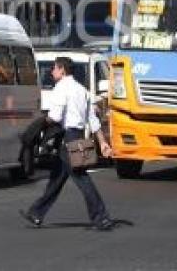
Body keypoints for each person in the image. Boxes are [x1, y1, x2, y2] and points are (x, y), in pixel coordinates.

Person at [19, 56, 116, 231]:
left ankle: (101, 217)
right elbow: (92, 120)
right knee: (56, 178)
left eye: (54, 68)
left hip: (68, 138)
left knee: (82, 178)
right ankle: (36, 213)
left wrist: (42, 122)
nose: (52, 71)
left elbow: (55, 116)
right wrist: (103, 143)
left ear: (62, 70)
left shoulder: (61, 88)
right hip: (77, 137)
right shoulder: (82, 90)